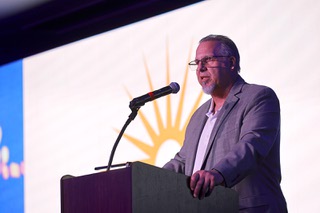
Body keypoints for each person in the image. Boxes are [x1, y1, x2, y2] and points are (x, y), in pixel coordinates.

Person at [163, 34, 287, 212]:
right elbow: (182, 161)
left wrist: (218, 173)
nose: (201, 68)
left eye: (208, 59)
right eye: (197, 63)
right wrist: (143, 179)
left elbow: (251, 147)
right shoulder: (198, 116)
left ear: (231, 62)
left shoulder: (259, 97)